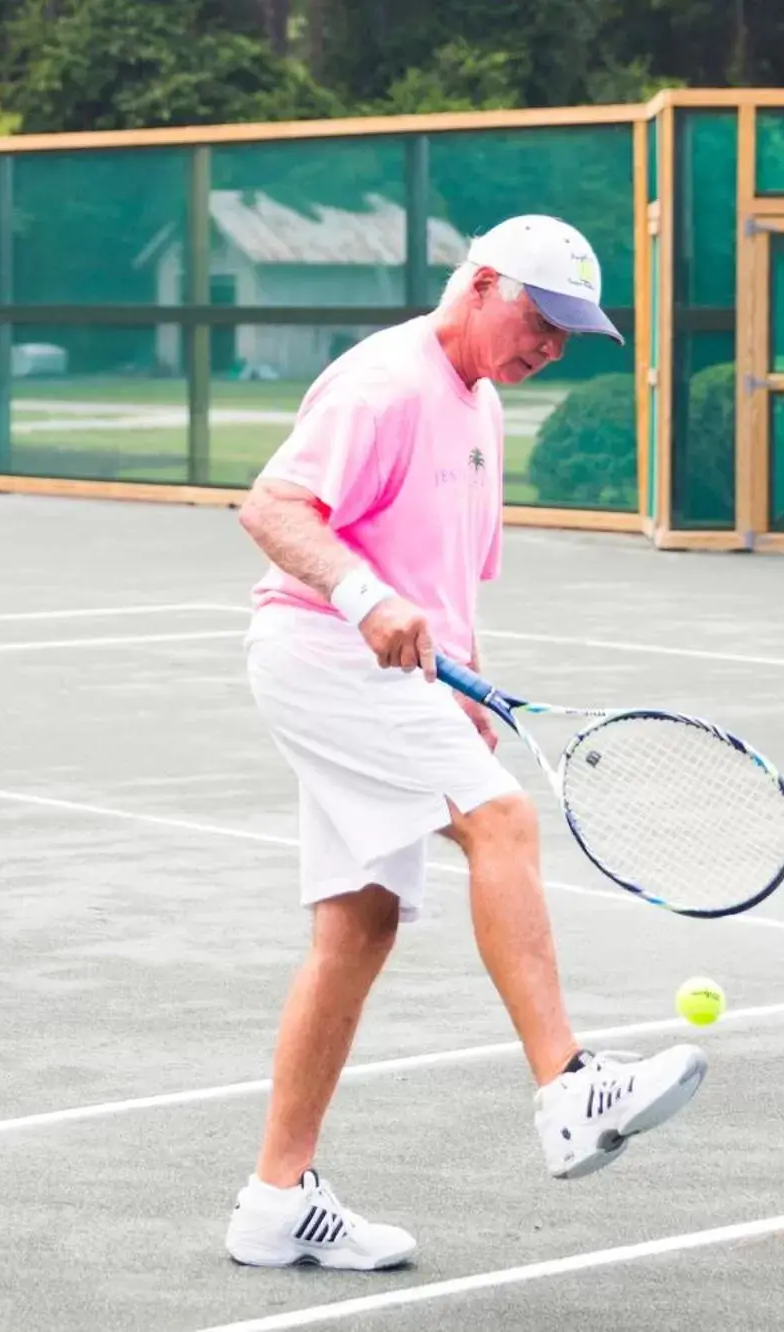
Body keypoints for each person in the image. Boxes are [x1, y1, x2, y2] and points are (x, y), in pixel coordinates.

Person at [223, 216, 707, 1271]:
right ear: (481, 285)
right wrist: (362, 597)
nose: (551, 346)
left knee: (357, 926)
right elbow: (269, 505)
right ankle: (569, 1086)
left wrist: (466, 686)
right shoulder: (382, 384)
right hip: (322, 651)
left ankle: (273, 1198)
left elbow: (442, 581)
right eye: (541, 319)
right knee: (502, 818)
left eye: (570, 333)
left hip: (395, 673)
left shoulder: (478, 404)